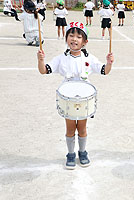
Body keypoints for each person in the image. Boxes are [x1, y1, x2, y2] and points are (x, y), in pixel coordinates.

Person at [37, 21, 114, 170]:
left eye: (79, 36)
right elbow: (44, 70)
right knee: (70, 128)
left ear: (85, 41)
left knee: (83, 128)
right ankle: (71, 154)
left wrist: (109, 63)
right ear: (66, 38)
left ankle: (83, 152)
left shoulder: (89, 58)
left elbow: (104, 70)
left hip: (84, 98)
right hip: (68, 99)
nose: (74, 39)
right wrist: (40, 61)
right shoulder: (61, 58)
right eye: (71, 35)